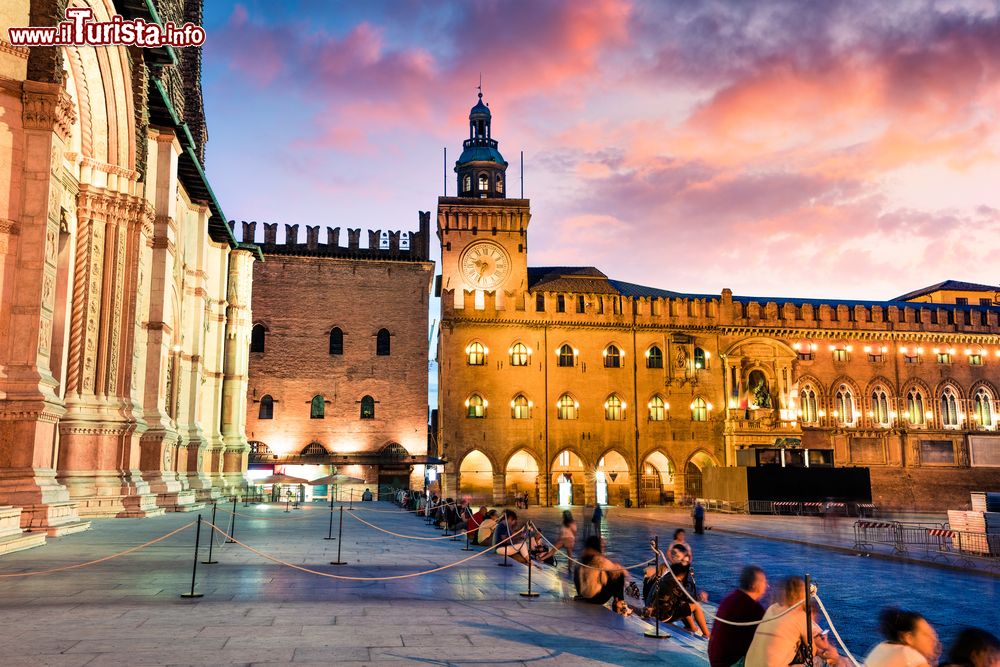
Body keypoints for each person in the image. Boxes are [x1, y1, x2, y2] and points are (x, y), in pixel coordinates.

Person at [744, 576, 841, 667]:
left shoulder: (772, 608)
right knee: (822, 661)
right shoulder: (800, 616)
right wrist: (825, 645)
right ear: (802, 595)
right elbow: (811, 651)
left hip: (749, 664)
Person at [708, 565, 767, 667]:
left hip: (716, 659)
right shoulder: (753, 608)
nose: (767, 586)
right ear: (754, 585)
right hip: (731, 663)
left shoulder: (730, 598)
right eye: (764, 582)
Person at [643, 562, 710, 638]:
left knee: (683, 605)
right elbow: (690, 599)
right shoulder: (676, 583)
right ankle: (707, 634)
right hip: (662, 616)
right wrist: (699, 596)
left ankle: (691, 627)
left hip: (654, 611)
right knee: (696, 605)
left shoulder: (666, 578)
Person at [574, 535, 632, 616]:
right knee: (619, 573)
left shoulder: (581, 559)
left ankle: (618, 602)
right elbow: (622, 572)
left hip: (583, 594)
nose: (603, 547)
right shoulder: (599, 560)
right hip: (596, 599)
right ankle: (620, 603)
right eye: (602, 545)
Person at [865, 608, 941, 667]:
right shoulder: (910, 655)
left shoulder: (882, 646)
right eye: (925, 634)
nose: (932, 638)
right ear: (909, 638)